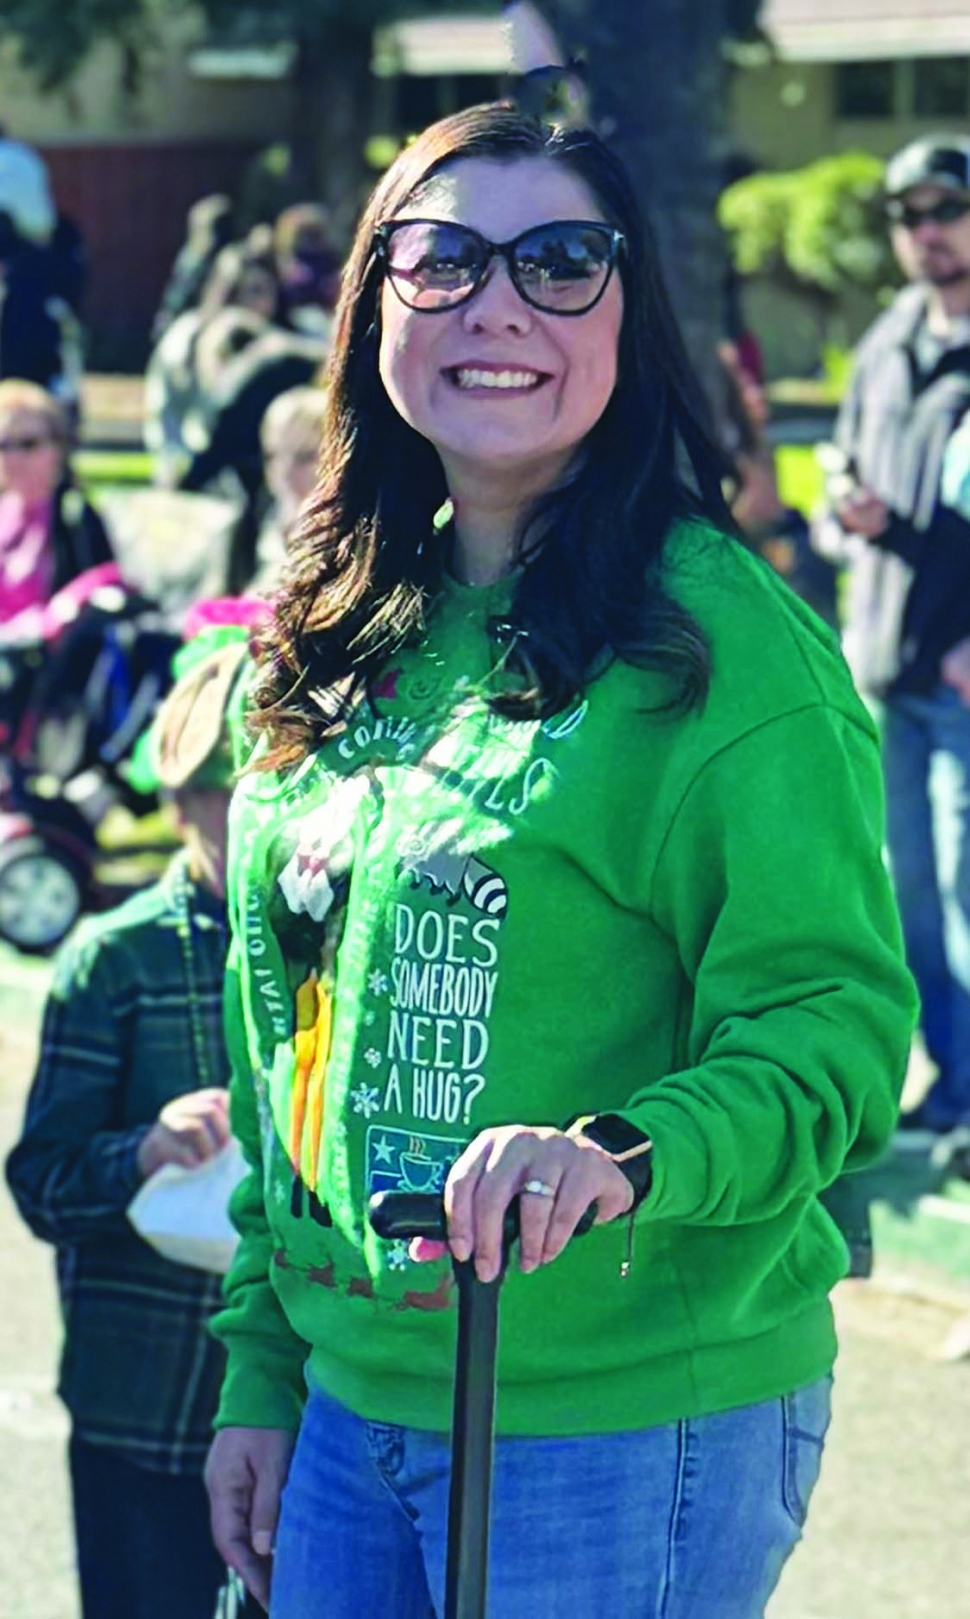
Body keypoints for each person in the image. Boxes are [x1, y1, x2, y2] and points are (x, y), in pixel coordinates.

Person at [204, 104, 916, 1619]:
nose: (499, 304)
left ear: (625, 311)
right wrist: (263, 1361)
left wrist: (618, 1152)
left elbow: (832, 1033)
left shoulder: (730, 653)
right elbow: (281, 1035)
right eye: (443, 258)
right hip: (347, 1397)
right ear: (373, 302)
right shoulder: (330, 628)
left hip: (622, 1424)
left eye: (561, 260)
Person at [5, 634, 254, 1619]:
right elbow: (42, 1180)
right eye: (228, 795)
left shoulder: (338, 948)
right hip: (143, 1406)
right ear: (183, 799)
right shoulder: (115, 961)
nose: (255, 821)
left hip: (298, 1409)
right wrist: (144, 1148)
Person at [813, 134, 970, 1137]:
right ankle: (953, 1085)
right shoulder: (884, 341)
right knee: (908, 896)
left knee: (967, 891)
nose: (926, 233)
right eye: (907, 216)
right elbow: (838, 484)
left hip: (960, 683)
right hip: (882, 668)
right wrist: (837, 506)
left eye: (944, 210)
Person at [0, 378, 111, 623]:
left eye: (28, 444)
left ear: (57, 448)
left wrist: (67, 605)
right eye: (4, 445)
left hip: (41, 653)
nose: (13, 457)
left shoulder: (74, 515)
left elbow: (105, 583)